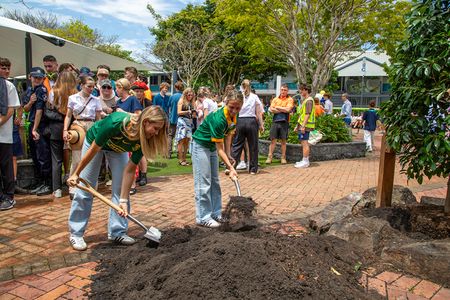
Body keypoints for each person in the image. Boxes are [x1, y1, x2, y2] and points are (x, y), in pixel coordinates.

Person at [66, 106, 168, 250]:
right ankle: (76, 233)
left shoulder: (144, 140)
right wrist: (76, 173)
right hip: (95, 143)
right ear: (146, 122)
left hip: (118, 150)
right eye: (155, 128)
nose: (156, 133)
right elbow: (94, 149)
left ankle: (117, 231)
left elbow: (130, 170)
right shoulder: (116, 123)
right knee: (86, 189)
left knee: (120, 190)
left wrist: (124, 200)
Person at [191, 89, 242, 228]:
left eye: (237, 108)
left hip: (212, 146)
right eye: (231, 107)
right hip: (201, 145)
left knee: (215, 182)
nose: (234, 110)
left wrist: (229, 154)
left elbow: (228, 135)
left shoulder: (233, 116)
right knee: (204, 182)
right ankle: (203, 217)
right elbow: (220, 149)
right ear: (226, 103)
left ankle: (216, 212)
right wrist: (230, 167)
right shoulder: (219, 119)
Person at [63, 76, 102, 199]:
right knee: (76, 157)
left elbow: (98, 119)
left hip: (91, 126)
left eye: (92, 86)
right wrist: (65, 130)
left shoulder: (96, 99)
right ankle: (73, 186)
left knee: (91, 156)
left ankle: (90, 185)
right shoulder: (72, 98)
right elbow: (68, 116)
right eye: (88, 86)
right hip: (78, 124)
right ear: (81, 85)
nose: (91, 89)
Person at [47, 71, 78, 198]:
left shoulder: (53, 92)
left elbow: (48, 111)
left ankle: (57, 189)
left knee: (56, 159)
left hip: (56, 128)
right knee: (76, 158)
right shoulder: (76, 94)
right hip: (74, 129)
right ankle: (75, 186)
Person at [22, 67, 52, 196]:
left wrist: (34, 128)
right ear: (30, 77)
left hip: (40, 126)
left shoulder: (42, 90)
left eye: (40, 77)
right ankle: (39, 181)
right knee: (35, 155)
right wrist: (30, 101)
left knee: (43, 156)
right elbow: (26, 109)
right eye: (35, 77)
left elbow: (39, 111)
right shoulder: (30, 90)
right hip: (32, 124)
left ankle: (47, 183)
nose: (37, 80)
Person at [231, 79, 264, 174]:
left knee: (237, 145)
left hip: (240, 121)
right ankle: (253, 169)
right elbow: (259, 112)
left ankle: (231, 166)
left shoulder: (238, 96)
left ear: (241, 86)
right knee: (253, 146)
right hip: (251, 121)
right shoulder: (255, 97)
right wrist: (261, 125)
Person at [0, 57, 20, 210]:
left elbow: (11, 109)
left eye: (8, 68)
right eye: (3, 67)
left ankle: (9, 196)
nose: (6, 71)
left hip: (4, 134)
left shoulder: (9, 86)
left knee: (6, 166)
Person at [266, 84, 294, 165]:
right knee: (273, 140)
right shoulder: (275, 99)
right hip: (275, 121)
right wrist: (283, 109)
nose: (283, 91)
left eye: (285, 90)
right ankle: (269, 157)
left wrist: (277, 107)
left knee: (283, 141)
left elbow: (288, 109)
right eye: (282, 89)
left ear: (287, 91)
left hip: (285, 122)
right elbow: (271, 109)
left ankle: (283, 157)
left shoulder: (290, 99)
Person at [131, 81, 152, 186]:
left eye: (140, 91)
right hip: (133, 130)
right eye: (137, 91)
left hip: (144, 130)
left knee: (142, 153)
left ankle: (143, 175)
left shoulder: (148, 103)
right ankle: (138, 174)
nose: (138, 93)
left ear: (143, 92)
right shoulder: (131, 100)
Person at [294, 84, 315, 168]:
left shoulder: (308, 101)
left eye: (302, 90)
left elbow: (307, 114)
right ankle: (304, 160)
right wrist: (298, 125)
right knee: (303, 143)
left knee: (305, 143)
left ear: (306, 90)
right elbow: (302, 115)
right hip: (303, 125)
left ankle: (306, 161)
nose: (300, 91)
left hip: (305, 126)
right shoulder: (306, 100)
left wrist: (302, 126)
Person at [176, 88, 195, 166]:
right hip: (182, 121)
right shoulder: (181, 101)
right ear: (185, 94)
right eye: (188, 94)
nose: (190, 96)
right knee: (181, 141)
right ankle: (180, 160)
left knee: (187, 141)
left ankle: (184, 159)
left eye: (191, 94)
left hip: (188, 121)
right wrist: (187, 111)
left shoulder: (191, 102)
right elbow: (179, 112)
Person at [167, 81, 184, 158]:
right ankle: (179, 153)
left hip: (173, 119)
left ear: (176, 88)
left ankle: (168, 153)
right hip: (182, 119)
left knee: (170, 136)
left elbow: (169, 106)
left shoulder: (172, 96)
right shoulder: (183, 97)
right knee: (180, 137)